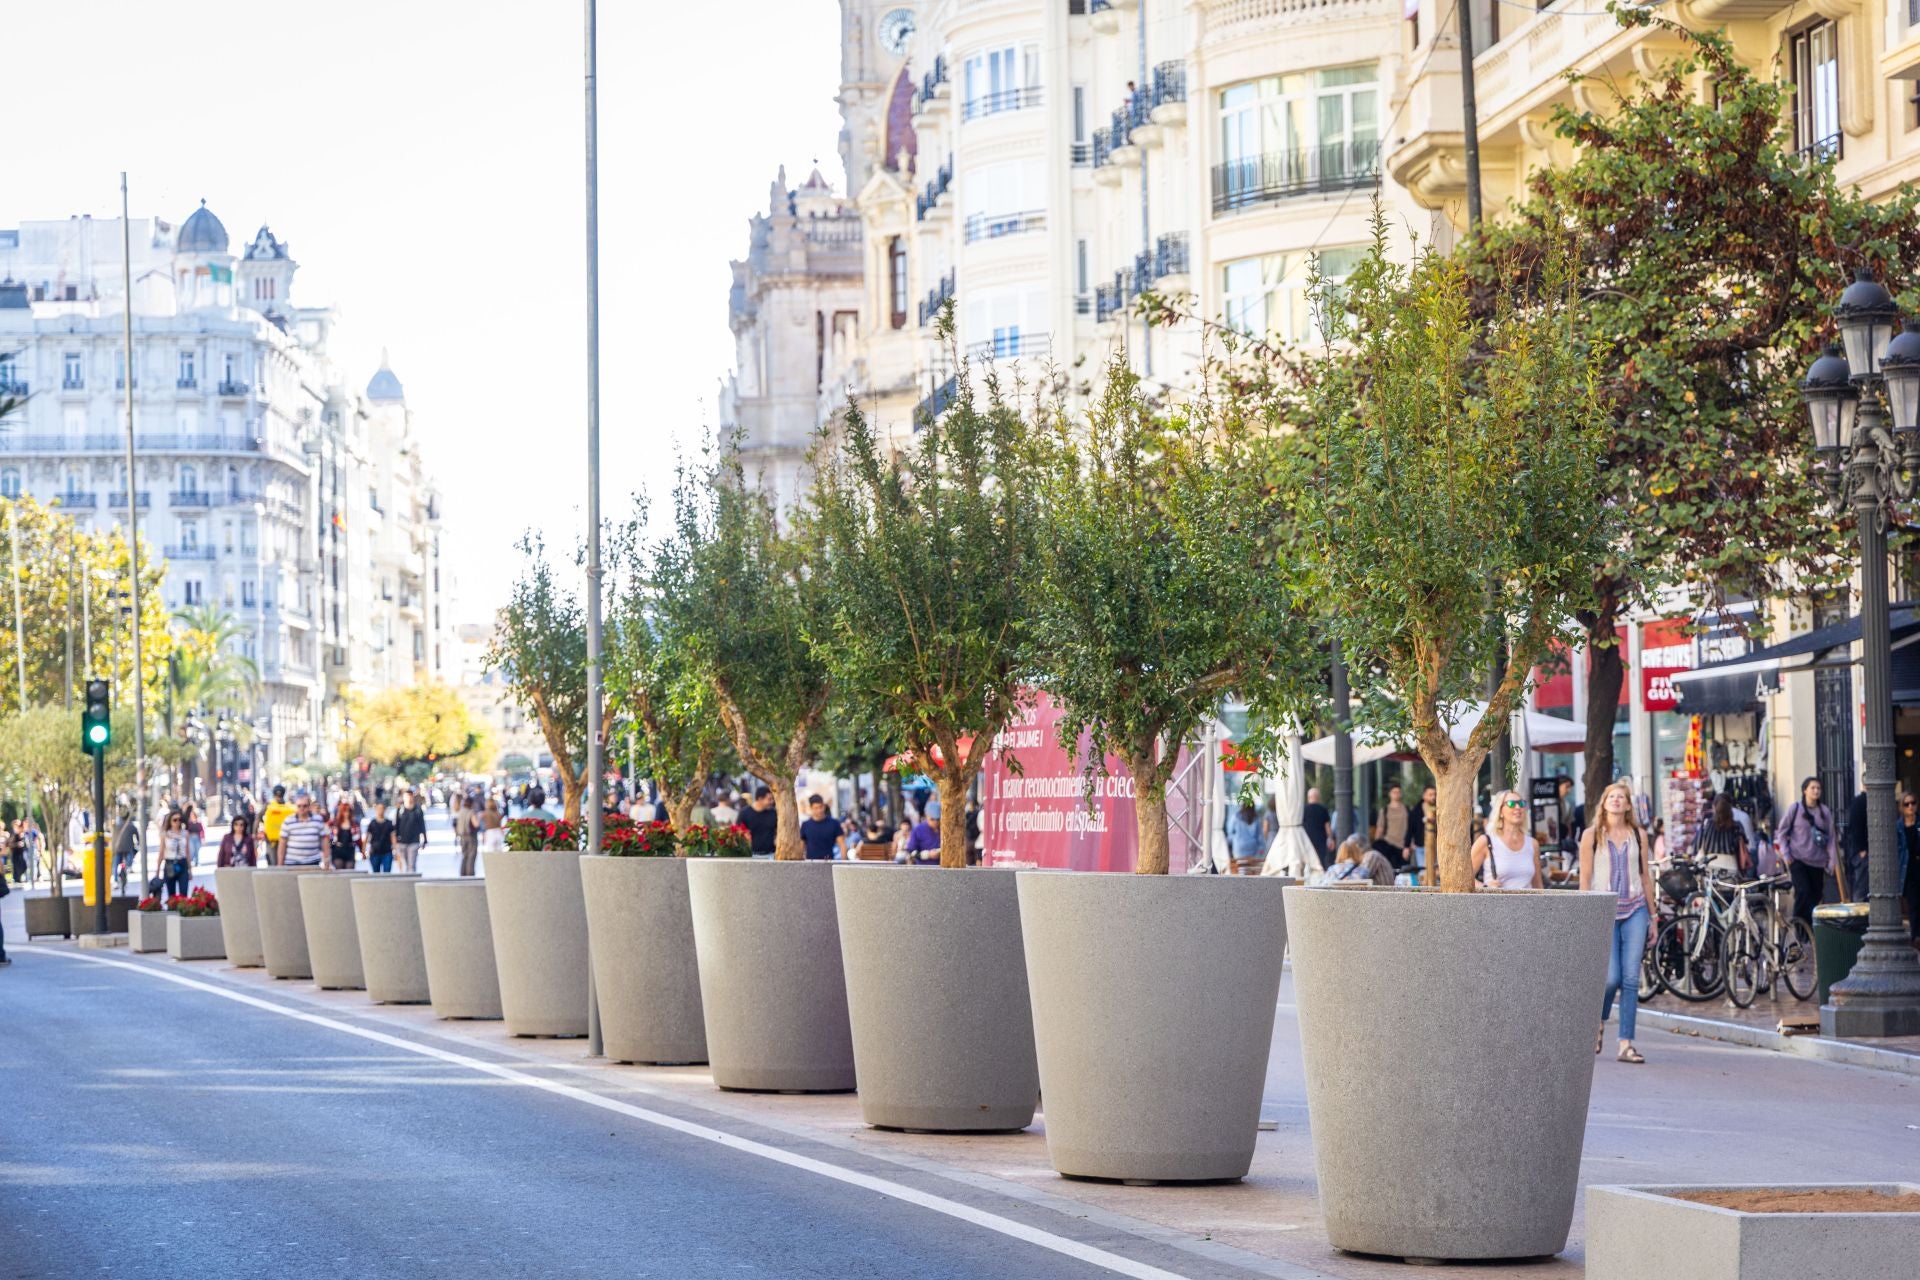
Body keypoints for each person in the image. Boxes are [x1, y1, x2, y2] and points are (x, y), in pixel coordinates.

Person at [1580, 780, 1655, 1065]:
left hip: (1636, 909)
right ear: (1604, 802)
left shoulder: (1638, 834)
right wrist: (1585, 914)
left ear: (1627, 804)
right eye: (1612, 796)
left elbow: (1645, 876)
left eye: (1621, 797)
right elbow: (1585, 878)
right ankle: (1598, 1022)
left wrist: (1654, 916)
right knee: (1610, 978)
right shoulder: (1591, 835)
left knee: (1631, 979)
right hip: (1604, 910)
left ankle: (1626, 1043)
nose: (1616, 800)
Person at [1776, 777, 1835, 927]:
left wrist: (1831, 860)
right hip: (1798, 859)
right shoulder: (1795, 809)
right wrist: (1786, 854)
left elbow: (1831, 838)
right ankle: (1799, 930)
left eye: (1818, 788)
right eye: (1813, 788)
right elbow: (1781, 832)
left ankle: (1809, 930)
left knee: (1815, 897)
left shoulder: (1824, 812)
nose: (1816, 791)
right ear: (1805, 790)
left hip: (1818, 862)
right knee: (1803, 892)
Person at [1473, 790, 1545, 890]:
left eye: (1521, 803)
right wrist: (1485, 887)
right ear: (1500, 811)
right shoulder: (1486, 841)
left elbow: (1538, 886)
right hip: (1498, 904)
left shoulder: (1533, 844)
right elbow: (1462, 877)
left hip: (1528, 905)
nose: (1518, 807)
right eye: (1511, 804)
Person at [1694, 795, 1750, 878]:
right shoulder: (1736, 826)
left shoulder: (1707, 824)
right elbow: (1745, 847)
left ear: (1714, 807)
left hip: (1711, 867)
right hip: (1731, 867)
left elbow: (1698, 846)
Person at [277, 793, 329, 869]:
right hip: (292, 862)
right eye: (299, 806)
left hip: (313, 862)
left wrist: (326, 860)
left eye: (305, 806)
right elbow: (282, 843)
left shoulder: (318, 820)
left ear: (309, 806)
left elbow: (324, 841)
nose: (302, 808)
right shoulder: (288, 821)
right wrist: (280, 864)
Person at [1328, 835, 1394, 886]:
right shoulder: (1371, 855)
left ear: (1357, 846)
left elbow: (1361, 878)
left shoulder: (1372, 855)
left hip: (1382, 898)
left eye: (1350, 847)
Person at [157, 810, 193, 898]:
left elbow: (187, 852)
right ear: (170, 821)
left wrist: (190, 869)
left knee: (184, 893)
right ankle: (172, 910)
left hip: (182, 862)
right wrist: (157, 870)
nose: (177, 822)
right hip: (170, 863)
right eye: (175, 820)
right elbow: (161, 852)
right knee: (171, 895)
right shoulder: (165, 834)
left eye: (179, 820)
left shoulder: (185, 833)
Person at [799, 795, 846, 861]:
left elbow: (842, 844)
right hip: (810, 863)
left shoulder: (834, 823)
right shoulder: (805, 825)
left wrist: (843, 862)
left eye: (821, 807)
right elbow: (801, 846)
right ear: (811, 808)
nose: (819, 810)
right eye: (816, 808)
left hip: (829, 862)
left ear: (824, 806)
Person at [1376, 783, 1410, 869]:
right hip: (1389, 844)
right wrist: (1376, 843)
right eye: (1394, 792)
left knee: (1404, 871)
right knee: (1390, 870)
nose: (1396, 794)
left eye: (1398, 792)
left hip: (1404, 845)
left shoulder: (1407, 809)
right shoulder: (1384, 810)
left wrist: (1411, 844)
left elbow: (1411, 827)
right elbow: (1380, 828)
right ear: (1390, 794)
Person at [394, 790, 428, 874]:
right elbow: (395, 826)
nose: (409, 798)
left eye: (410, 796)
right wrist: (394, 843)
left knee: (411, 865)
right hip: (402, 841)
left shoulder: (418, 810)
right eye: (407, 796)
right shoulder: (400, 810)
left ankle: (411, 882)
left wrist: (425, 839)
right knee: (405, 864)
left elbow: (422, 825)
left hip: (414, 841)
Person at [1408, 784, 1437, 881]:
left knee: (1436, 872)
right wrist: (1407, 845)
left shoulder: (1439, 808)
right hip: (1420, 845)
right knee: (1423, 872)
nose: (1433, 797)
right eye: (1430, 794)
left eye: (1434, 794)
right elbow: (1410, 829)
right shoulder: (1416, 810)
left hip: (1436, 846)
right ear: (1424, 796)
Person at [1301, 787, 1334, 869]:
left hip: (1307, 839)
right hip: (1321, 840)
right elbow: (1327, 826)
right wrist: (1330, 838)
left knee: (1307, 861)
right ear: (1319, 797)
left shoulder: (1303, 810)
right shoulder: (1323, 809)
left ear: (1308, 797)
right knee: (1321, 861)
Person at [740, 787, 778, 857]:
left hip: (771, 854)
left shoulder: (774, 813)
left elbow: (778, 831)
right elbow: (738, 831)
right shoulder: (744, 813)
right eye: (769, 799)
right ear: (760, 799)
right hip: (752, 854)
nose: (772, 802)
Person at [261, 785, 295, 863]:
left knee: (274, 863)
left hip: (273, 840)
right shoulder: (289, 807)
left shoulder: (269, 805)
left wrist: (256, 832)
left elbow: (258, 817)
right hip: (283, 840)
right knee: (282, 861)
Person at [111, 810, 140, 892]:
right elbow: (137, 837)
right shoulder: (132, 826)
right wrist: (138, 843)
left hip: (117, 849)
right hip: (128, 848)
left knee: (115, 864)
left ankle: (115, 881)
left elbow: (113, 838)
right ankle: (128, 867)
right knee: (130, 856)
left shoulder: (116, 826)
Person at [328, 800, 361, 871]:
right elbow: (329, 836)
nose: (347, 813)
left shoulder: (354, 824)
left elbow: (358, 839)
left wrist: (362, 851)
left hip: (350, 850)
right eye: (345, 811)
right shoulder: (335, 823)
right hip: (338, 850)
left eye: (348, 811)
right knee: (339, 870)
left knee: (350, 869)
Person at [365, 800, 395, 874]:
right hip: (375, 852)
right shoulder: (372, 823)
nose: (380, 811)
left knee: (387, 872)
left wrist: (396, 850)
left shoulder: (389, 823)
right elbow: (367, 837)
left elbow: (393, 837)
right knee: (376, 873)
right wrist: (364, 850)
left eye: (382, 808)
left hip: (387, 851)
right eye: (378, 809)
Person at [182, 802, 205, 867]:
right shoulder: (188, 822)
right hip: (190, 837)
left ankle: (197, 861)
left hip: (197, 837)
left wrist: (203, 838)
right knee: (191, 850)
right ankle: (191, 861)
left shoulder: (198, 822)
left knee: (197, 850)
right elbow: (187, 830)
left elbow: (202, 830)